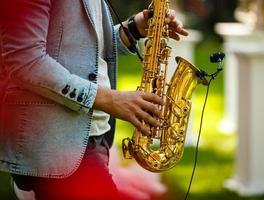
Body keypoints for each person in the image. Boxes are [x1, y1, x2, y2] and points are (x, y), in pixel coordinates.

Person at [0, 0, 188, 199]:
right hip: (58, 143)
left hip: (94, 137)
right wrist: (109, 100)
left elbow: (83, 51)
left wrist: (133, 29)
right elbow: (25, 61)